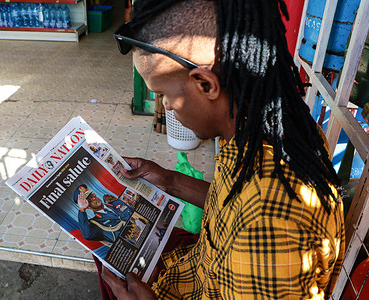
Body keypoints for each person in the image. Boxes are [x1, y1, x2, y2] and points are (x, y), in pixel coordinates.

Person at [100, 0, 345, 299]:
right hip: (198, 269)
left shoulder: (268, 231)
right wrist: (170, 181)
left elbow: (250, 218)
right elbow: (231, 209)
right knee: (109, 254)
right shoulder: (260, 127)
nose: (163, 106)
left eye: (162, 94)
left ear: (205, 85)